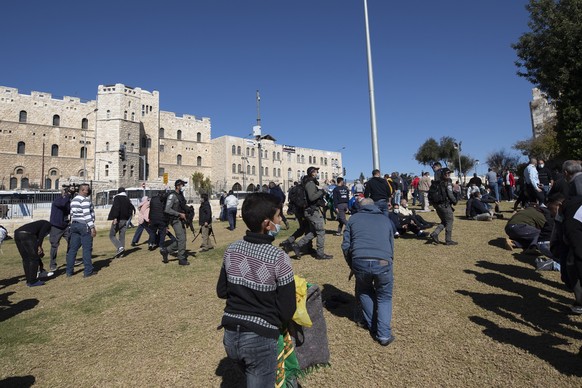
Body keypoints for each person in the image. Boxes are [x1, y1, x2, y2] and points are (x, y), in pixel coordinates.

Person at [217, 192, 296, 387]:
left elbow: (221, 291)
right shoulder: (278, 258)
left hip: (230, 335)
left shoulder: (232, 249)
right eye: (278, 217)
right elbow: (287, 309)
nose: (280, 221)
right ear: (267, 223)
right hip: (260, 339)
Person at [341, 197, 395, 346]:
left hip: (360, 260)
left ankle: (373, 326)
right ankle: (384, 335)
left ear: (359, 206)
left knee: (364, 291)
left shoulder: (353, 219)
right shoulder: (385, 220)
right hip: (383, 261)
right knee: (384, 297)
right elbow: (391, 244)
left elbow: (346, 246)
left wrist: (352, 265)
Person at [290, 166, 333, 260]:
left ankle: (297, 245)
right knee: (320, 231)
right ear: (312, 172)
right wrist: (322, 191)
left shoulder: (310, 182)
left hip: (311, 211)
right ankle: (320, 254)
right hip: (312, 211)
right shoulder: (310, 183)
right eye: (316, 171)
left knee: (314, 231)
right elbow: (312, 197)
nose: (317, 173)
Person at [66, 183, 97, 278]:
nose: (88, 191)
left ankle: (69, 271)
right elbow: (86, 214)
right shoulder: (85, 200)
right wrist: (92, 227)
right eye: (87, 190)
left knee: (72, 249)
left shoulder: (73, 200)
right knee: (87, 249)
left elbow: (71, 213)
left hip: (74, 225)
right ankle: (88, 271)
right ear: (83, 190)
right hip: (84, 225)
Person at [15, 220, 53, 287]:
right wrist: (39, 246)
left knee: (26, 258)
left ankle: (29, 280)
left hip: (17, 234)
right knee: (34, 258)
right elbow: (41, 235)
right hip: (27, 234)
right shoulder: (47, 224)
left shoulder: (38, 224)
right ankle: (33, 281)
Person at [163, 179, 191, 266]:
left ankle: (166, 250)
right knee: (181, 239)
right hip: (175, 220)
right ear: (177, 186)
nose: (183, 187)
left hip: (182, 220)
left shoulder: (181, 195)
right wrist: (179, 214)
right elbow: (167, 209)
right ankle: (181, 258)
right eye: (182, 185)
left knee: (182, 239)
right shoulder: (172, 196)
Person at [429, 167, 458, 245]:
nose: (448, 175)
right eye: (447, 173)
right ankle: (448, 240)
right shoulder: (447, 182)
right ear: (443, 174)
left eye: (449, 173)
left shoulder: (436, 182)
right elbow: (450, 194)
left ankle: (435, 233)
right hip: (444, 205)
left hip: (437, 205)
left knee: (444, 221)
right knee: (449, 221)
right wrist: (455, 201)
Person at [48, 186, 72, 271]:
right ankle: (52, 264)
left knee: (71, 242)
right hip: (56, 226)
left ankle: (70, 259)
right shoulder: (57, 200)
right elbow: (61, 204)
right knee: (54, 245)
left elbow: (68, 209)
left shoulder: (67, 200)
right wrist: (67, 196)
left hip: (65, 225)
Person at [107, 187, 136, 257]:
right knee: (122, 235)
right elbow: (130, 209)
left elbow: (117, 208)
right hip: (125, 220)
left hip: (119, 219)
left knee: (111, 235)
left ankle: (120, 248)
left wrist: (115, 217)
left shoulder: (117, 198)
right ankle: (121, 253)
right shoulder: (127, 199)